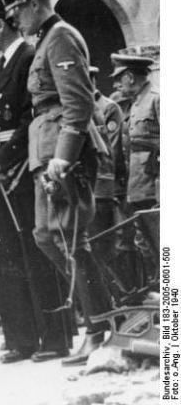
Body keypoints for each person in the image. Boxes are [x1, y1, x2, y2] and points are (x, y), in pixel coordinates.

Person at [0, 0, 112, 366]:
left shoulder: (60, 37)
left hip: (62, 154)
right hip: (44, 151)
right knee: (49, 235)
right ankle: (101, 311)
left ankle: (100, 328)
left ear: (32, 5)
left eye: (16, 13)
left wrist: (63, 157)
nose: (15, 22)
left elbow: (77, 102)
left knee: (67, 238)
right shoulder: (47, 40)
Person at [0, 0, 71, 363]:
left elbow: (31, 117)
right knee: (9, 254)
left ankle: (54, 337)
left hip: (20, 167)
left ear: (2, 23)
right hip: (4, 169)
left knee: (35, 252)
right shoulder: (7, 63)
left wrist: (3, 157)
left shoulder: (28, 58)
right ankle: (24, 338)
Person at [110, 53, 159, 283]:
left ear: (130, 77)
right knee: (148, 244)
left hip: (155, 189)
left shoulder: (157, 99)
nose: (116, 84)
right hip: (139, 188)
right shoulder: (135, 104)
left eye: (119, 78)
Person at [88, 65, 127, 281]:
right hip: (91, 188)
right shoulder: (81, 106)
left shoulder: (107, 108)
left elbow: (112, 150)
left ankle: (120, 292)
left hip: (103, 186)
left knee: (107, 244)